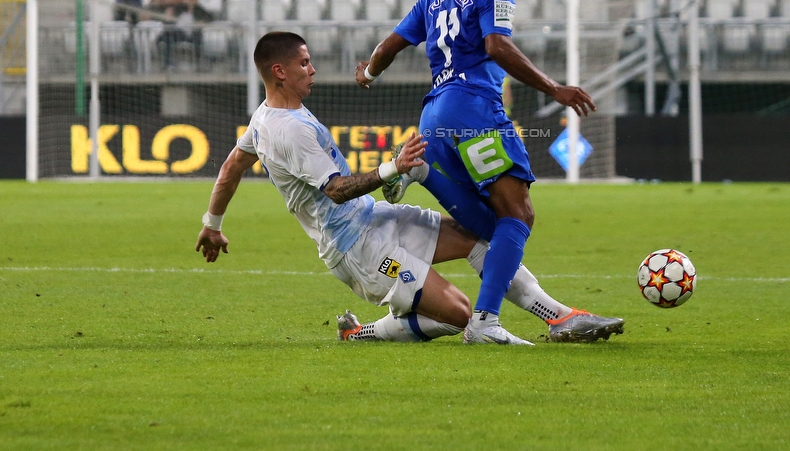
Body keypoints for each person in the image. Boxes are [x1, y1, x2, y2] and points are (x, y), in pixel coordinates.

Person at [196, 31, 624, 344]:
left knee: (478, 236)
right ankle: (362, 334)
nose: (313, 69)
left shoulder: (266, 118)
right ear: (279, 71)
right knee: (457, 313)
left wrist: (212, 223)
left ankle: (559, 317)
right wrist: (392, 168)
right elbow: (336, 190)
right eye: (304, 63)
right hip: (356, 249)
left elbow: (233, 165)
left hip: (374, 219)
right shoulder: (287, 130)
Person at [355, 0, 600, 345]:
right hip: (474, 110)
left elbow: (385, 50)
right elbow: (497, 46)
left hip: (434, 119)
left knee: (494, 226)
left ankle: (421, 171)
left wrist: (369, 74)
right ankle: (485, 322)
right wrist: (555, 89)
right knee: (519, 214)